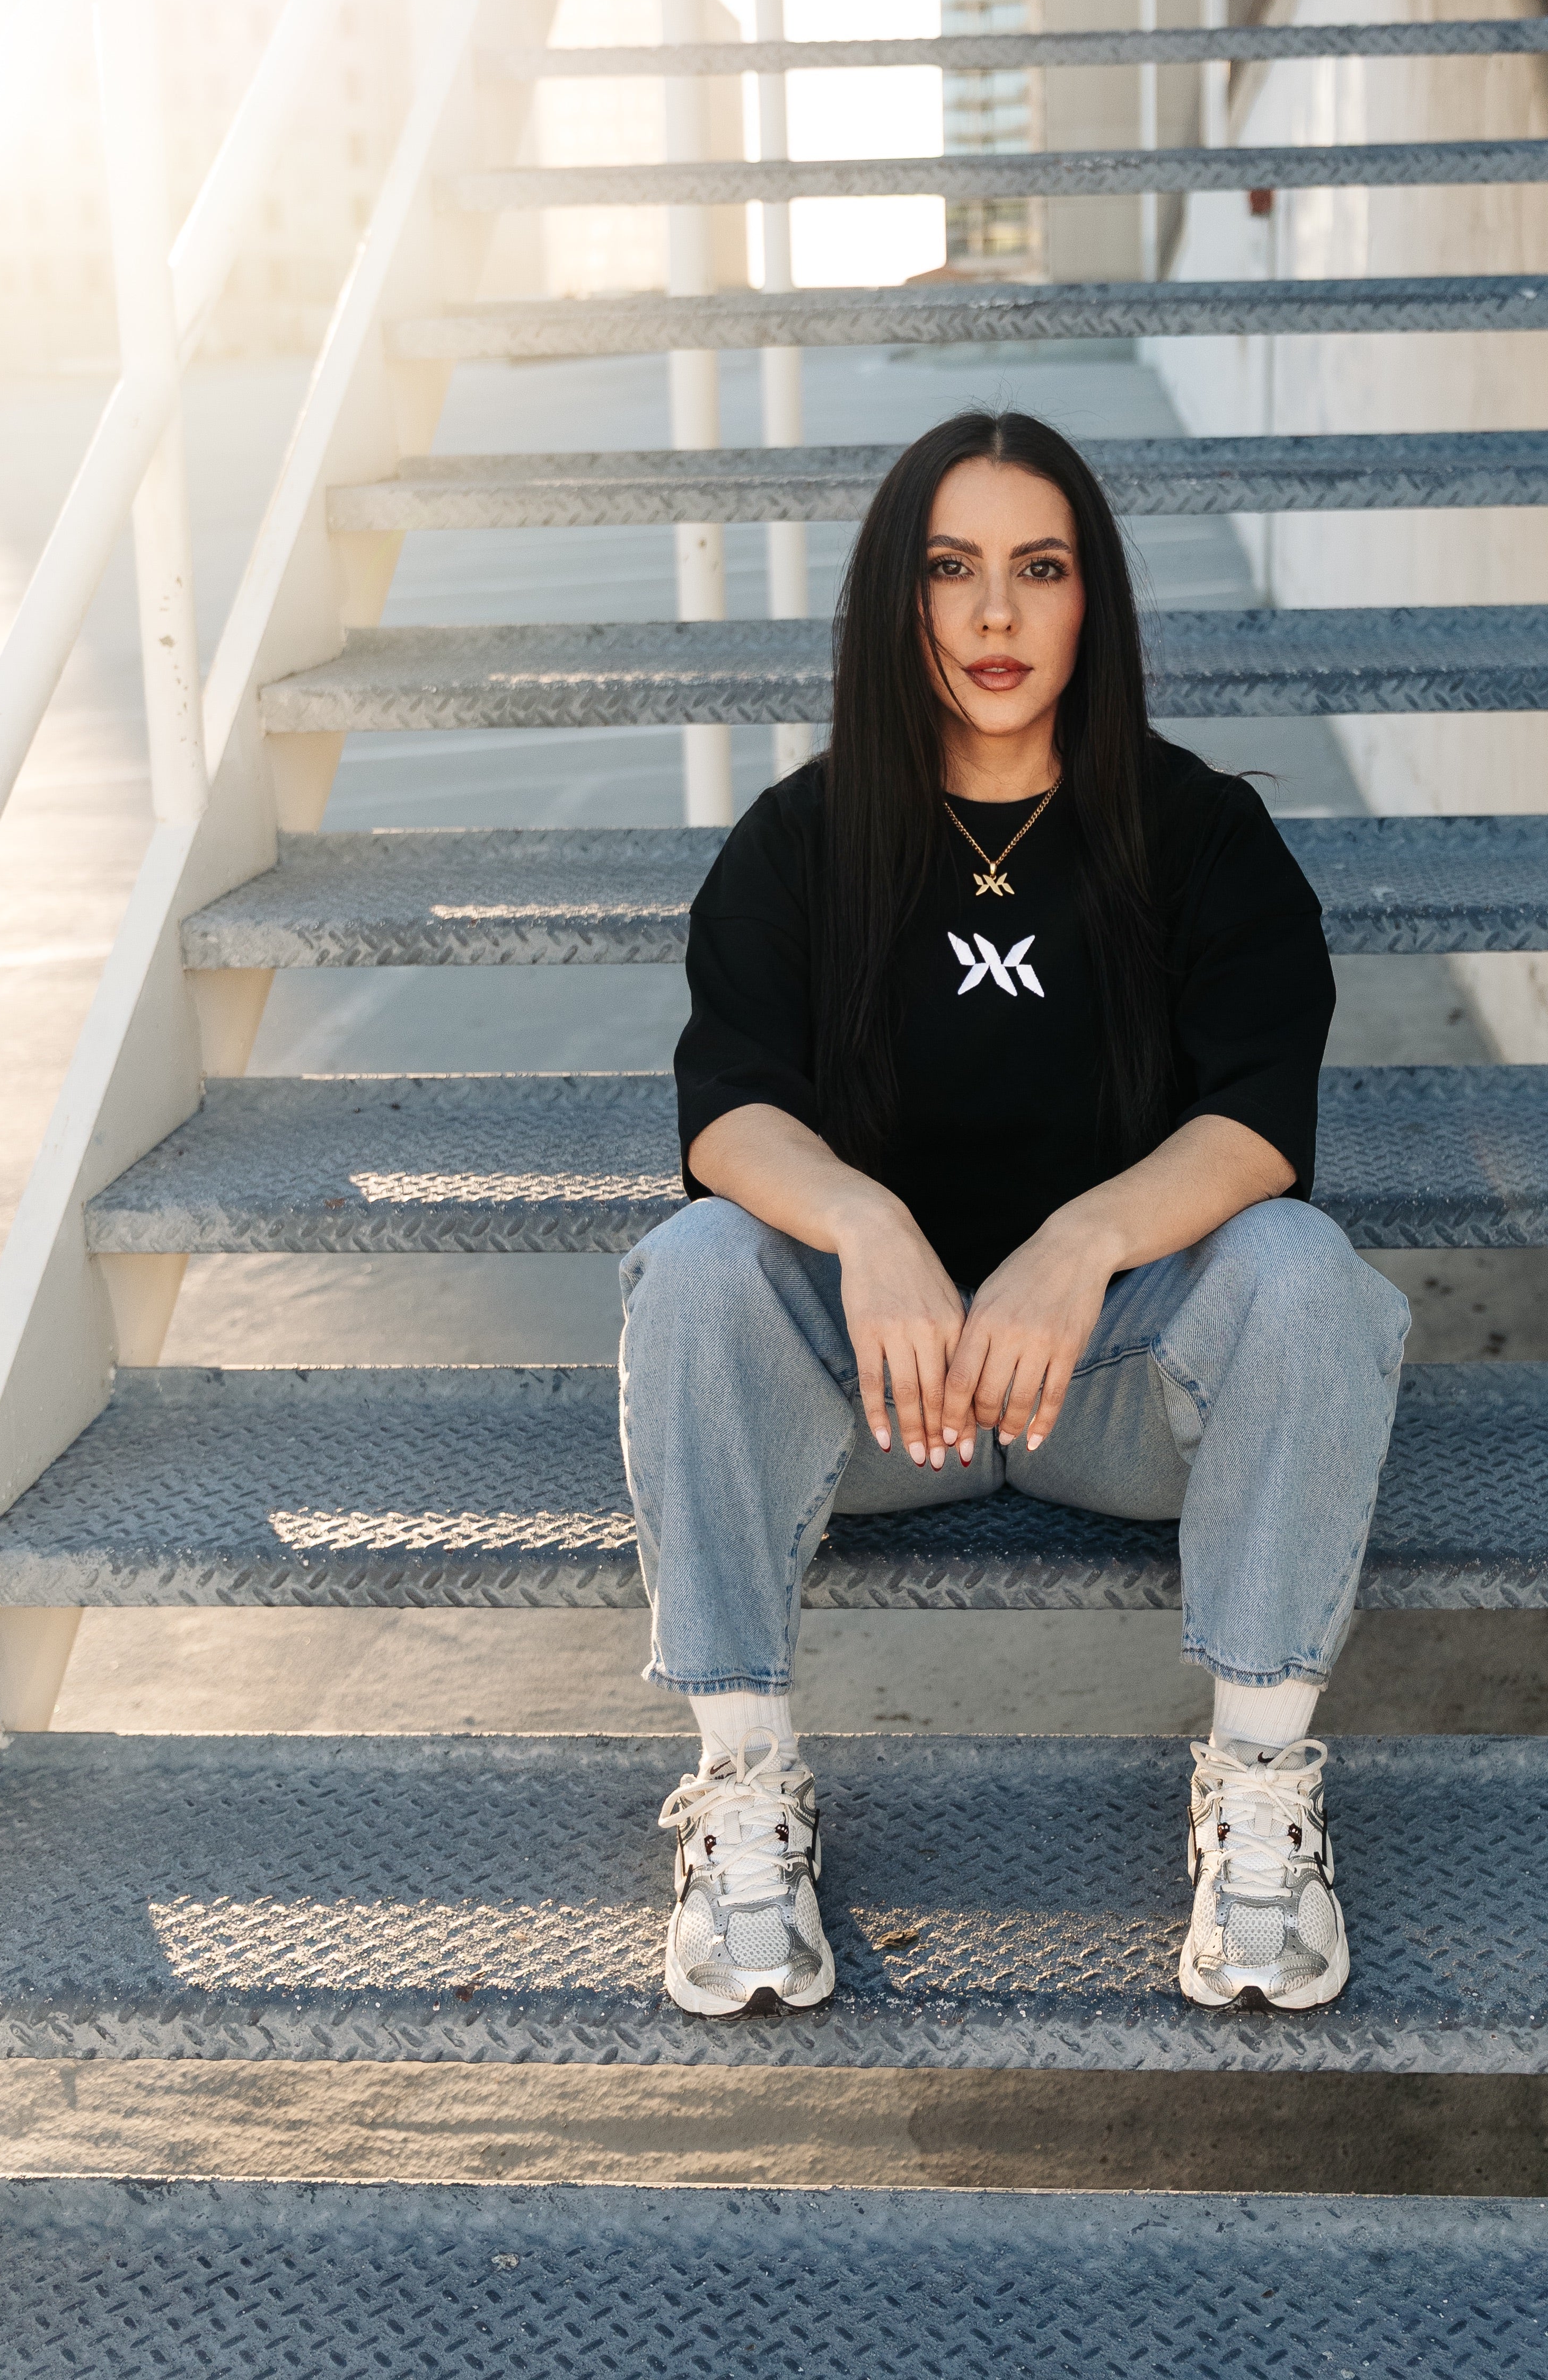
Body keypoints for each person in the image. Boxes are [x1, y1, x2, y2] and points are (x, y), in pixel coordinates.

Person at [618, 409, 1410, 2020]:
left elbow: (1262, 1119)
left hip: (1113, 1394)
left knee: (1302, 1271)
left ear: (1090, 598)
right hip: (876, 1399)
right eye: (952, 569)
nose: (995, 615)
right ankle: (745, 1797)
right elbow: (729, 1112)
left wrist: (1080, 1242)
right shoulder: (801, 842)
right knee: (696, 1264)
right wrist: (866, 1226)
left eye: (1039, 569)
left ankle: (1262, 1802)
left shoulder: (1202, 836)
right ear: (896, 601)